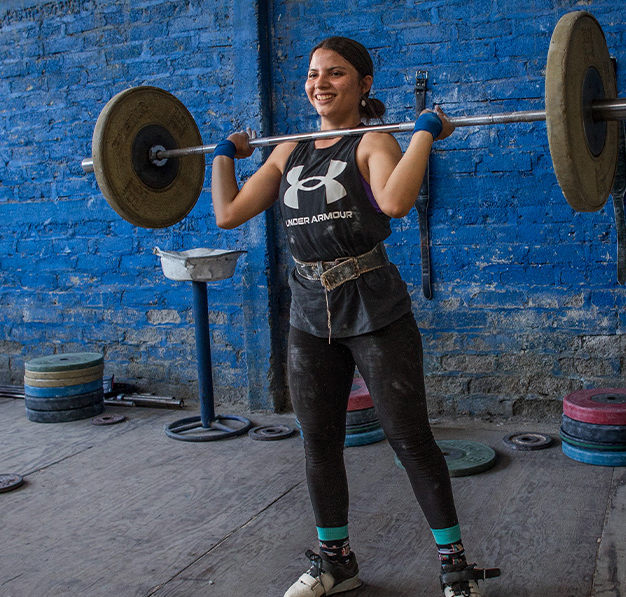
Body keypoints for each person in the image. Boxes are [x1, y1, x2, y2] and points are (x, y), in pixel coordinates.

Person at [209, 36, 499, 597]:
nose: (320, 83)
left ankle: (455, 567)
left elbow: (394, 202)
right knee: (318, 440)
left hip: (373, 307)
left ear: (363, 84)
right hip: (309, 311)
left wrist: (422, 134)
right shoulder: (288, 148)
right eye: (314, 74)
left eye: (335, 74)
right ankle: (336, 561)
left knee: (409, 438)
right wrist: (223, 154)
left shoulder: (372, 141)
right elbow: (229, 213)